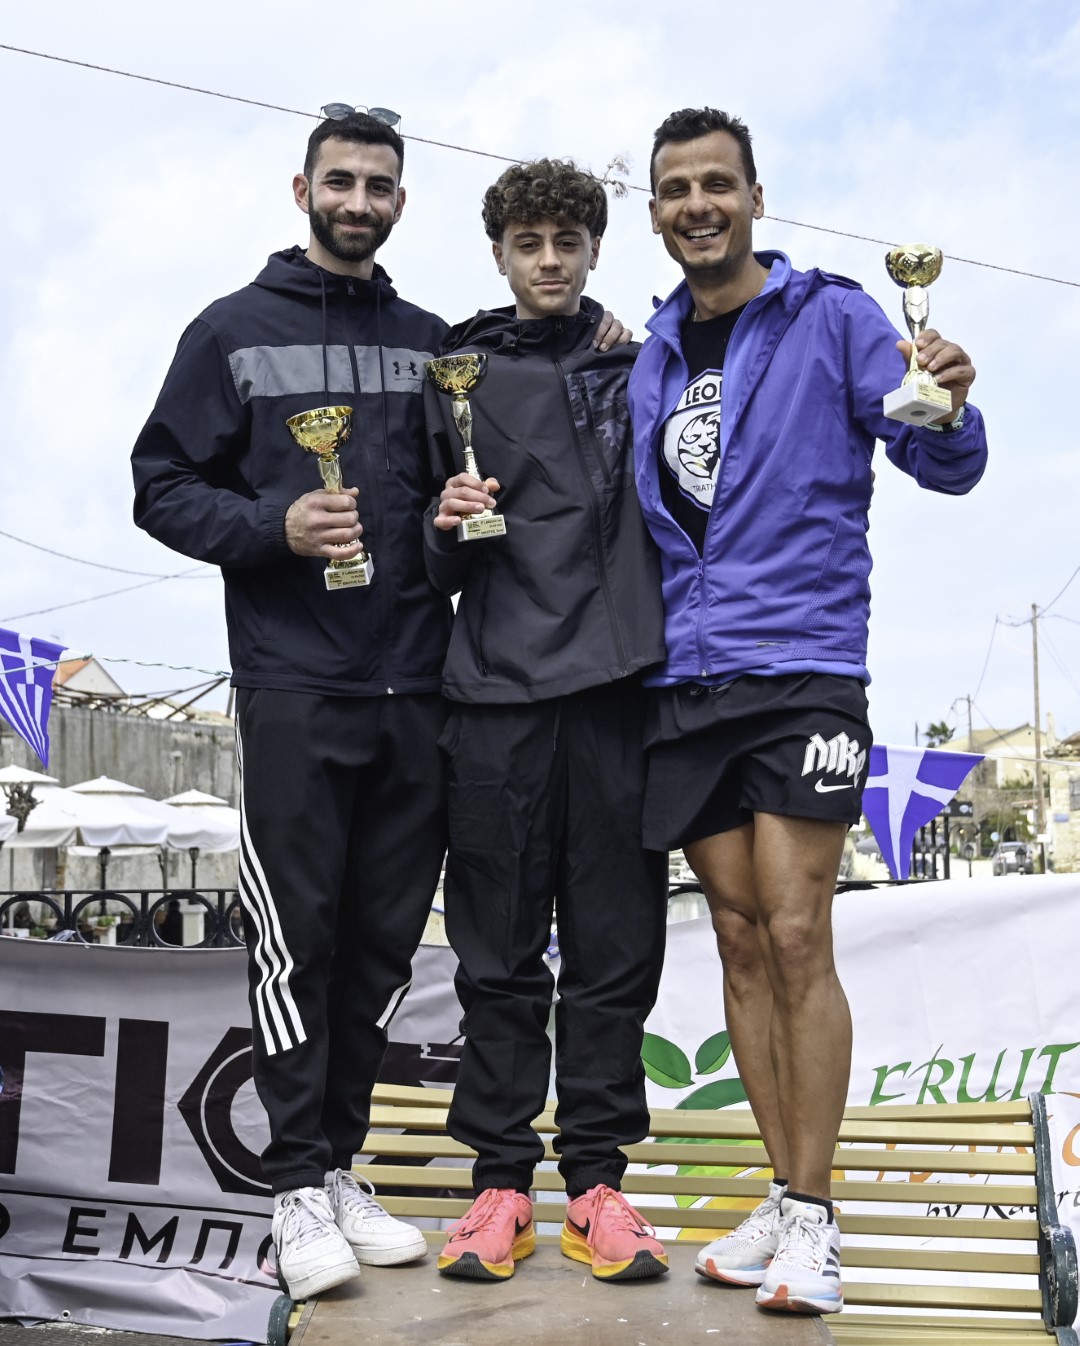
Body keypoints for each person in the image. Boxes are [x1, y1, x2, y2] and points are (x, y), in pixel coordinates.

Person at [628, 107, 988, 1315]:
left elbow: (940, 461)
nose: (698, 204)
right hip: (683, 681)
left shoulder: (831, 315)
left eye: (716, 183)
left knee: (795, 933)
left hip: (802, 667)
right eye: (676, 188)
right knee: (735, 938)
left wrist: (951, 401)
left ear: (755, 197)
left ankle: (818, 1216)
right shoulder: (651, 353)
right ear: (657, 211)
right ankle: (783, 1197)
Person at [131, 111, 452, 1302]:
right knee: (296, 941)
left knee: (381, 947)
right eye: (341, 180)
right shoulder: (230, 330)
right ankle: (293, 1185)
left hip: (419, 686)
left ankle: (340, 1162)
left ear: (400, 202)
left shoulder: (433, 345)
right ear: (303, 188)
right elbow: (159, 484)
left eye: (379, 184)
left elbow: (472, 473)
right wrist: (274, 526)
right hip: (294, 687)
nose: (359, 199)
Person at [423, 159, 670, 1284]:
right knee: (498, 959)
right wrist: (444, 520)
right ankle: (500, 1188)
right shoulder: (455, 374)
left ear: (595, 250)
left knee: (614, 952)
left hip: (617, 691)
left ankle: (600, 1186)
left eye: (569, 241)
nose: (551, 260)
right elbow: (428, 558)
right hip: (494, 698)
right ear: (500, 255)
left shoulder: (640, 362)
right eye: (529, 243)